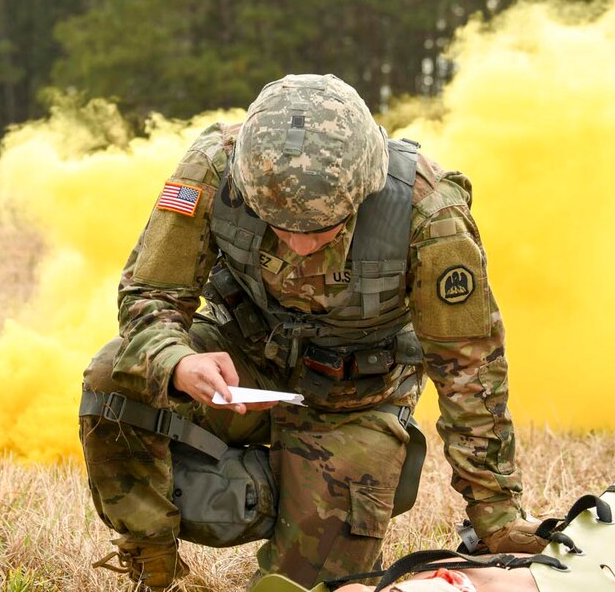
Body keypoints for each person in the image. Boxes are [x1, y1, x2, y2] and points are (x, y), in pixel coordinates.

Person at [79, 74, 544, 591]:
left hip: (356, 402)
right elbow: (150, 295)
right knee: (114, 378)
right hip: (243, 364)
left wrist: (496, 517)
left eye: (320, 231)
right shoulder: (214, 169)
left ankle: (305, 488)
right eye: (278, 228)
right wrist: (178, 362)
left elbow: (469, 370)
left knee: (307, 588)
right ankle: (151, 560)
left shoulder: (429, 212)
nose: (298, 247)